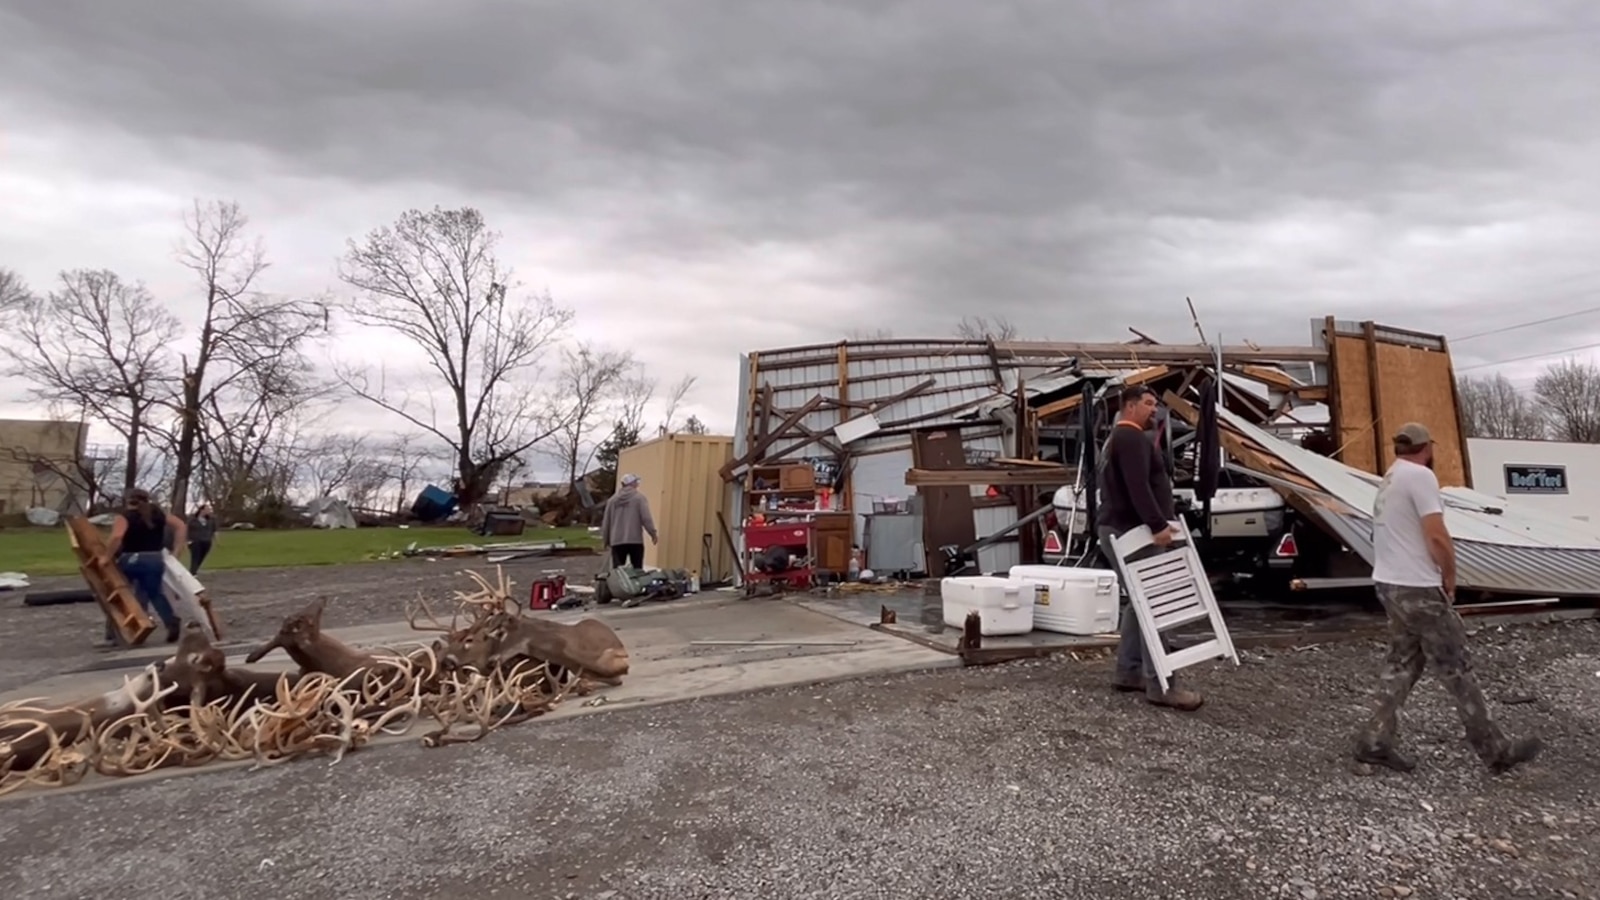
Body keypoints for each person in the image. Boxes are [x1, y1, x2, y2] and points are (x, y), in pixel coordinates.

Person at [1353, 423, 1542, 774]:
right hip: (1418, 589)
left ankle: (1373, 743)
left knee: (1402, 664)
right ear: (1427, 447)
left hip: (1389, 584)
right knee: (1457, 668)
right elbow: (1436, 535)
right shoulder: (1420, 477)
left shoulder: (1391, 477)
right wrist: (1450, 577)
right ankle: (1495, 750)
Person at [1095, 385, 1204, 712]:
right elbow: (1138, 486)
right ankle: (1163, 685)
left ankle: (1128, 672)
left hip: (1119, 529)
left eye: (1155, 404)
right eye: (1147, 403)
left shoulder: (1117, 440)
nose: (1153, 410)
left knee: (1138, 604)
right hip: (1134, 533)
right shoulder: (1130, 439)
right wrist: (1158, 525)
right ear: (1129, 407)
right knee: (1156, 604)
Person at [96, 488, 188, 647]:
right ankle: (170, 620)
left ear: (127, 500)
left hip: (132, 558)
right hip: (155, 558)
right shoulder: (158, 514)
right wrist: (177, 550)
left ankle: (114, 634)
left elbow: (117, 537)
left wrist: (106, 557)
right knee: (155, 593)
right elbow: (181, 526)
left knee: (119, 594)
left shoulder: (124, 517)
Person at [601, 473, 658, 570]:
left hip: (617, 540)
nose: (637, 484)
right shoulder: (639, 498)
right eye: (636, 482)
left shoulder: (612, 501)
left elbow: (607, 521)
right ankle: (635, 584)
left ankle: (619, 585)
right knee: (637, 570)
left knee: (618, 572)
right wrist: (653, 533)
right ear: (632, 484)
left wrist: (605, 540)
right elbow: (646, 518)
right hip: (635, 540)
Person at [187, 503, 217, 574]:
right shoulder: (193, 520)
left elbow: (214, 530)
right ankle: (193, 572)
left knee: (201, 557)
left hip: (206, 541)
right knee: (195, 557)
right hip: (195, 541)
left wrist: (216, 540)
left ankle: (194, 570)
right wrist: (187, 540)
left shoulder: (211, 520)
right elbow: (187, 529)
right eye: (207, 509)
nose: (209, 511)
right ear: (202, 510)